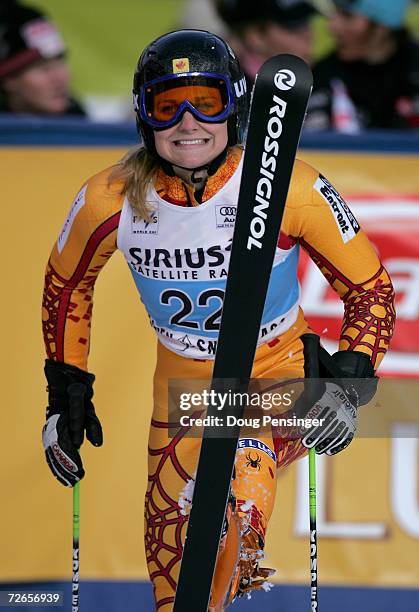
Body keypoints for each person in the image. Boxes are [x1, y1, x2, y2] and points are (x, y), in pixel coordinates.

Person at [41, 29, 395, 611]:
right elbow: (65, 287)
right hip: (183, 387)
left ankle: (245, 530)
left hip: (280, 369)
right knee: (177, 581)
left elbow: (370, 288)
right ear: (143, 117)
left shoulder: (292, 190)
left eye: (205, 103)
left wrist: (347, 379)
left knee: (234, 479)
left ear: (234, 105)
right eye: (166, 105)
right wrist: (65, 392)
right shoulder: (109, 201)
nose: (186, 123)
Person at [306, 0, 419, 131]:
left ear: (382, 27)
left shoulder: (413, 69)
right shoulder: (323, 76)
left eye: (347, 16)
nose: (332, 26)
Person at [0, 1, 85, 115]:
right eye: (43, 68)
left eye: (60, 62)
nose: (59, 78)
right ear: (8, 80)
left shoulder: (81, 123)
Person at [215, 0, 319, 84]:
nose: (308, 35)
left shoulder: (325, 78)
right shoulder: (231, 98)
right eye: (293, 28)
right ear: (256, 38)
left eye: (306, 23)